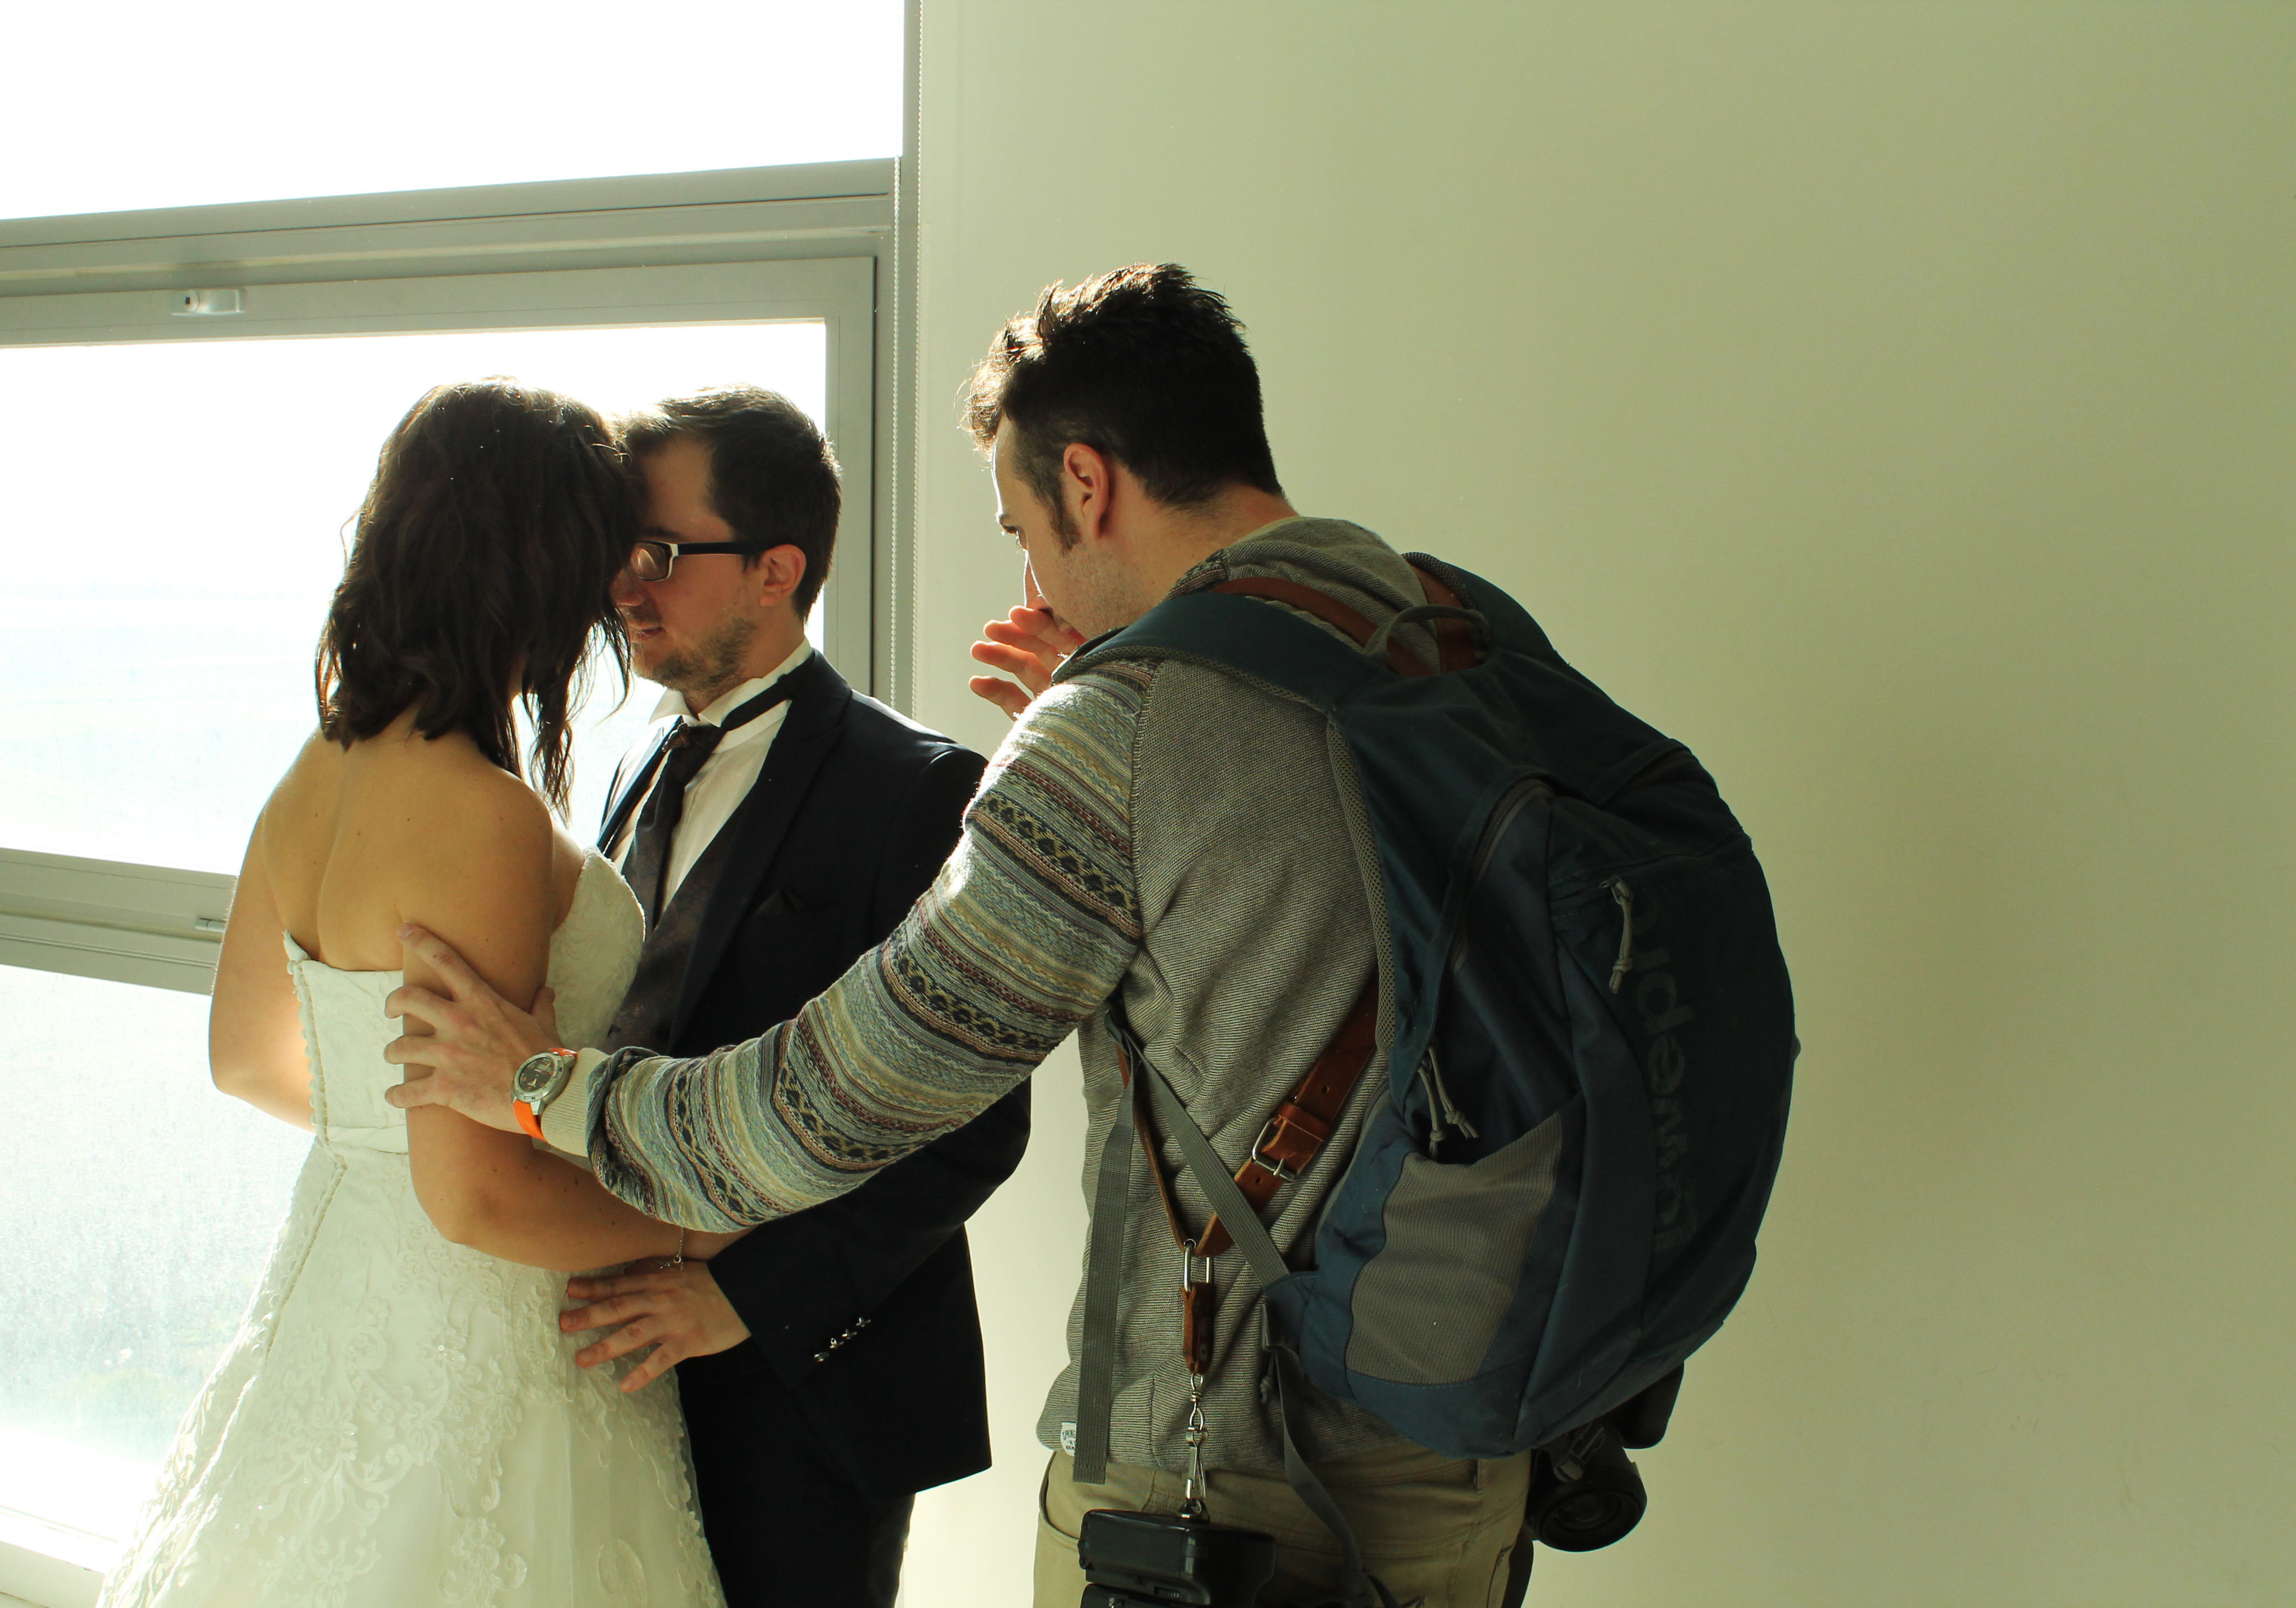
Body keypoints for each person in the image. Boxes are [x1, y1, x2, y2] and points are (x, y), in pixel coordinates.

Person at [384, 266, 1532, 1606]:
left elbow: (833, 1104)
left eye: (1018, 525)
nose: (1028, 570)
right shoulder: (1452, 632)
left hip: (1226, 1467)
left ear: (1088, 485)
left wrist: (535, 1087)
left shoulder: (1121, 728)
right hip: (1473, 1417)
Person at [96, 379, 729, 1608]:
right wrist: (701, 1228)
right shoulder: (479, 814)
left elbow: (246, 1056)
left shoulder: (319, 767)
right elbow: (480, 1191)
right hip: (477, 1324)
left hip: (338, 1285)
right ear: (542, 566)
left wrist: (387, 1141)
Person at [548, 387, 1026, 1607]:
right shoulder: (631, 761)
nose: (623, 587)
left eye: (659, 553)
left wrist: (739, 1301)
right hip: (624, 1354)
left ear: (776, 570)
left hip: (814, 1384)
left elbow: (975, 1125)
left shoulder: (915, 786)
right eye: (623, 553)